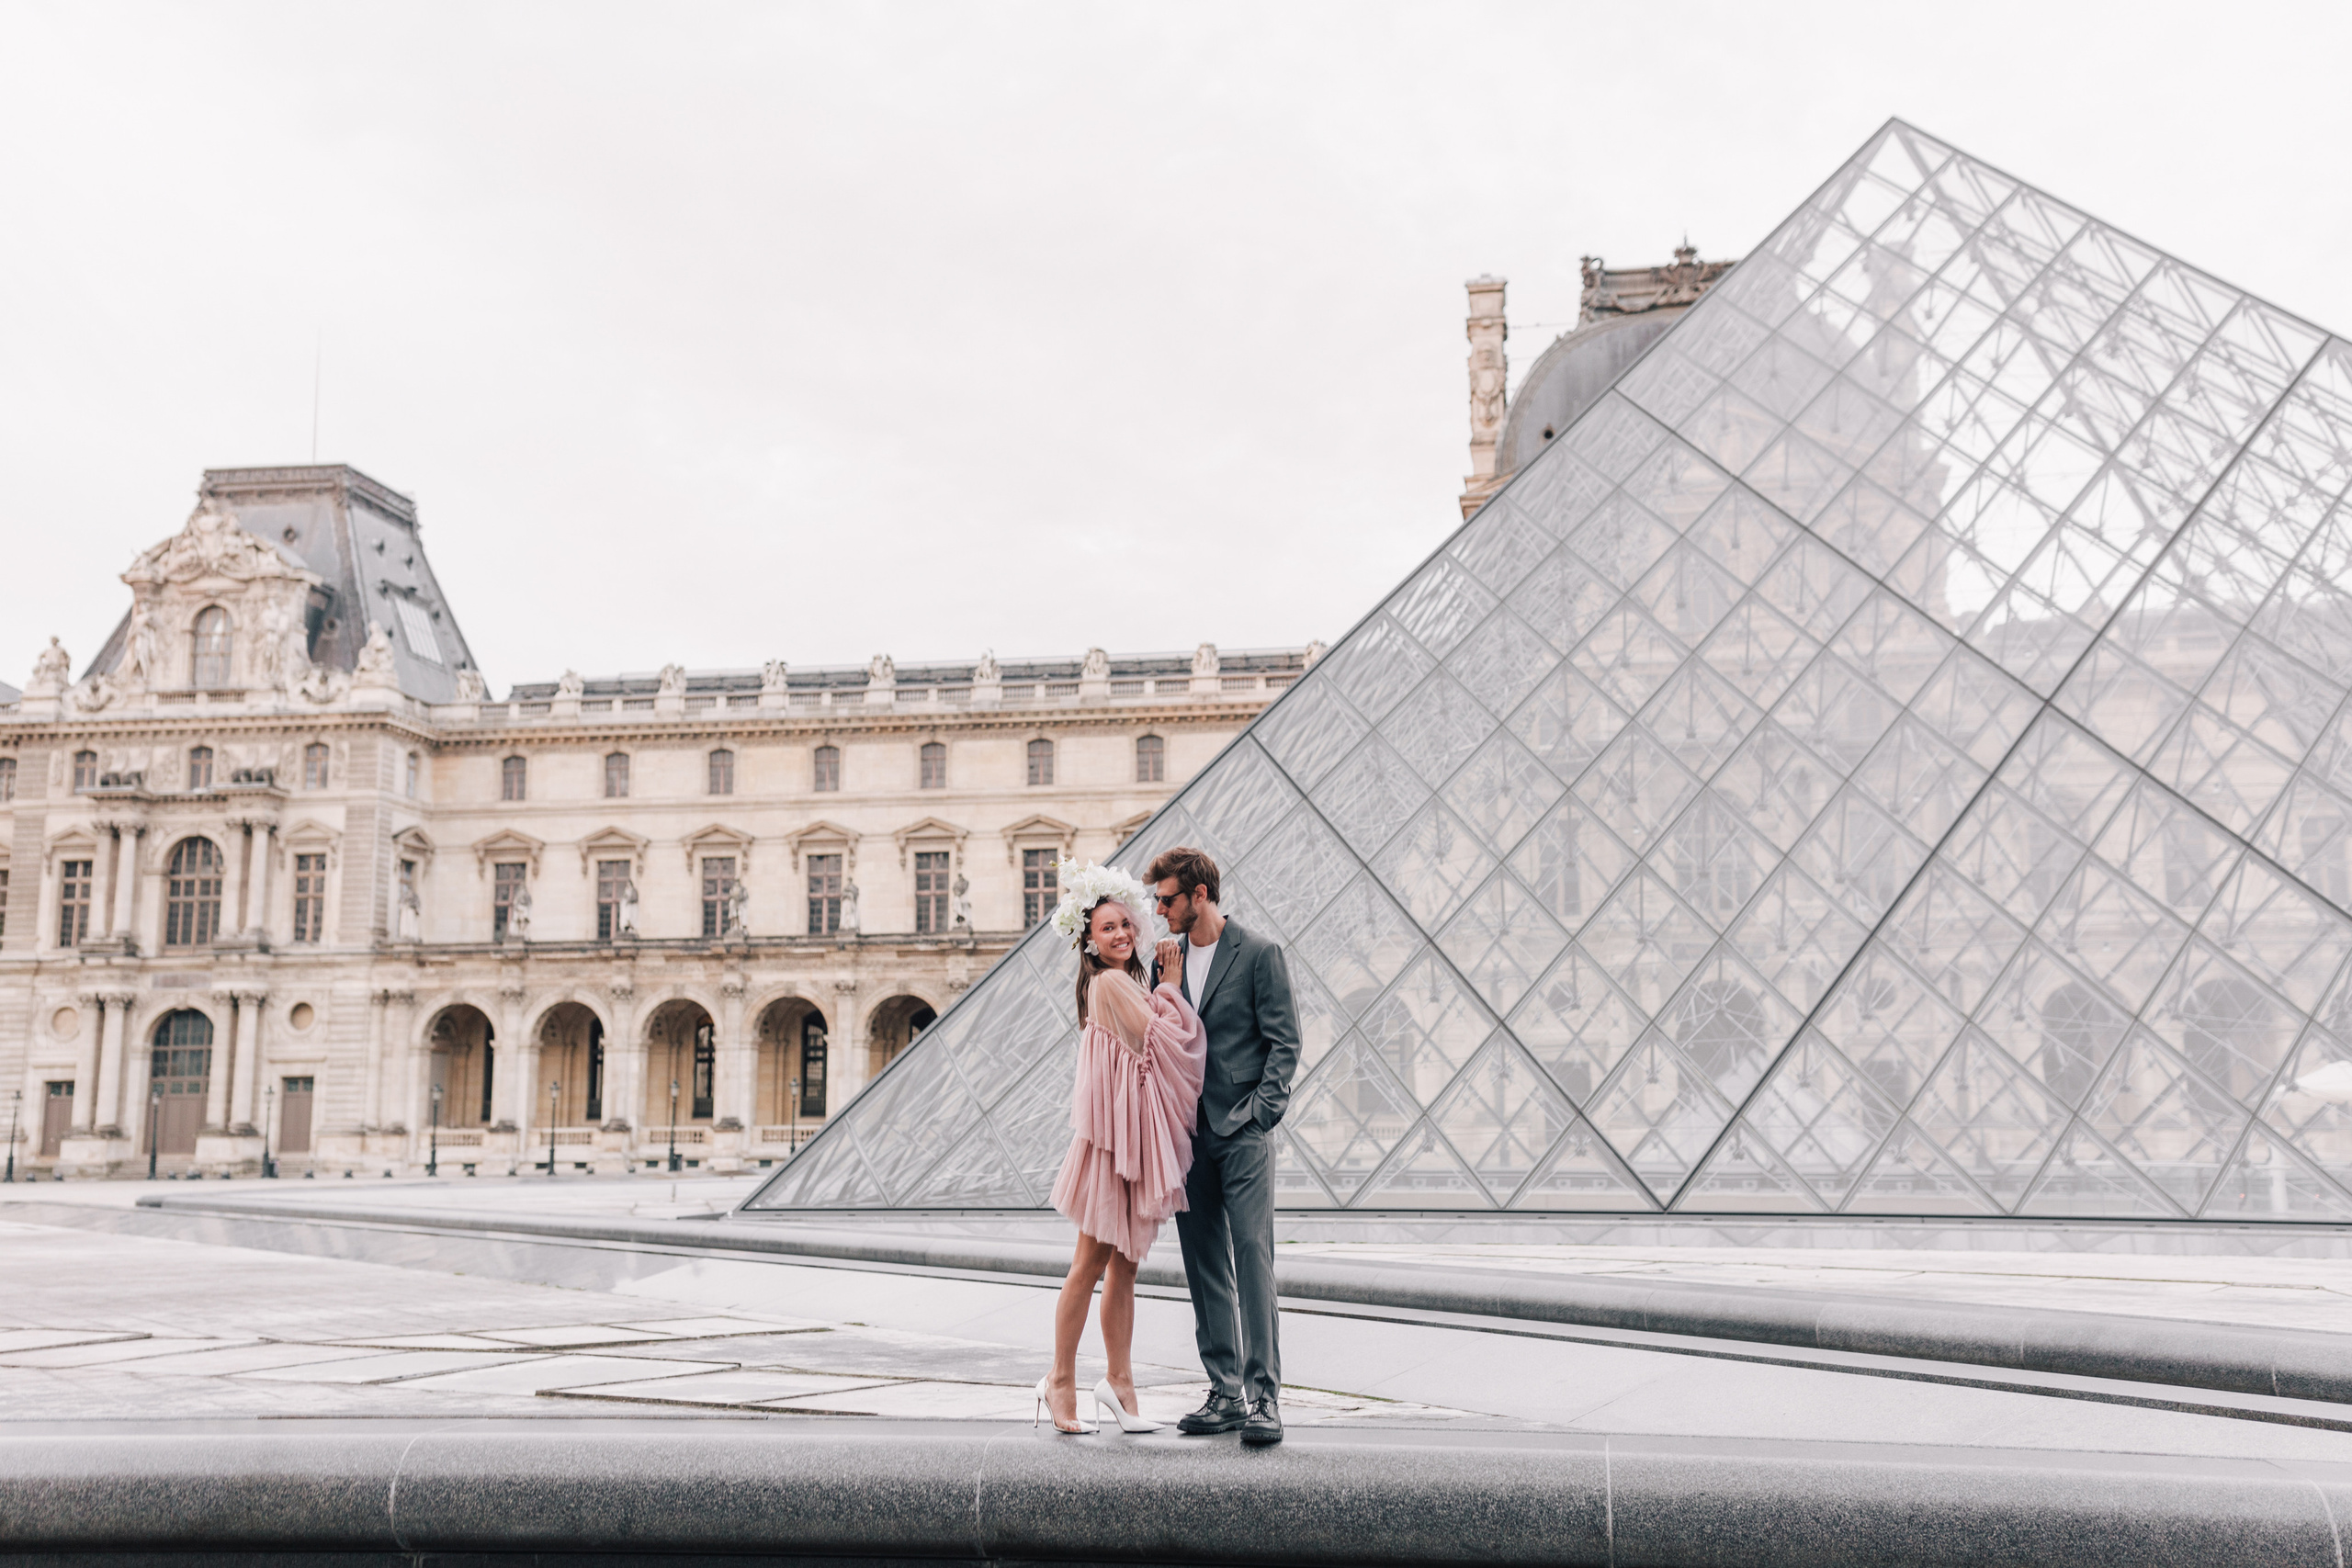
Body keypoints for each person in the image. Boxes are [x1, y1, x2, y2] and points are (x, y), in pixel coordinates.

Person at [1037, 861, 1207, 1435]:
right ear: (1088, 939)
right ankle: (1059, 1379)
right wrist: (1173, 987)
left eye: (1125, 925)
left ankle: (1119, 1381)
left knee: (1124, 1269)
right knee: (1089, 1266)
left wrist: (1158, 987)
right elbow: (1167, 1040)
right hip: (1113, 1149)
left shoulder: (1124, 984)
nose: (1123, 934)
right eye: (1107, 928)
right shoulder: (1111, 984)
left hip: (1128, 1143)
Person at [1148, 846, 1299, 1447]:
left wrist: (1258, 1116)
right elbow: (1163, 1039)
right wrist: (1163, 985)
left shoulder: (1260, 953)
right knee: (1204, 1263)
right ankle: (1225, 1389)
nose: (1159, 910)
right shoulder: (1168, 958)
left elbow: (1284, 1043)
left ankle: (1264, 1395)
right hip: (1189, 1133)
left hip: (1240, 1131)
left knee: (1252, 1259)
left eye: (1167, 899)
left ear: (1200, 895)